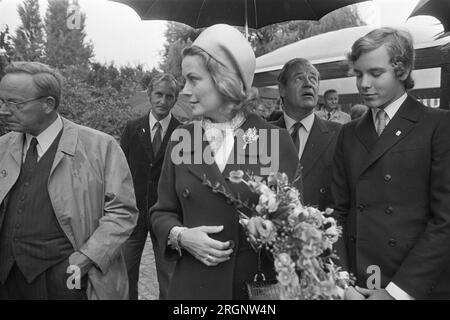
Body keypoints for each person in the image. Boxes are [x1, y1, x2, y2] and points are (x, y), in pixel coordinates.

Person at [149, 24, 300, 300]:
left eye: (194, 80)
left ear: (225, 80)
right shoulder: (182, 138)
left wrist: (269, 231)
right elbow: (161, 213)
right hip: (193, 290)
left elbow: (297, 224)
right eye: (184, 80)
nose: (184, 90)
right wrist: (181, 236)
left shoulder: (274, 140)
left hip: (255, 291)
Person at [0, 61, 138, 299]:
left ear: (48, 104)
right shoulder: (3, 147)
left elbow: (122, 212)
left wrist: (88, 257)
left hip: (67, 280)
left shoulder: (100, 147)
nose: (3, 110)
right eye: (2, 101)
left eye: (15, 104)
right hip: (7, 278)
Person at [331, 27, 450, 300]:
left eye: (375, 73)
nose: (363, 84)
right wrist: (342, 283)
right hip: (357, 287)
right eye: (358, 74)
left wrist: (397, 293)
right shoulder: (348, 133)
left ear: (403, 70)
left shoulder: (438, 125)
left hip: (415, 286)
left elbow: (445, 220)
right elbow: (335, 213)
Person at [120, 73, 181, 300]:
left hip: (167, 215)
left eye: (169, 96)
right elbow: (120, 170)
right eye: (158, 94)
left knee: (169, 276)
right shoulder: (132, 128)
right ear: (149, 95)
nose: (163, 101)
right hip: (132, 214)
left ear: (175, 99)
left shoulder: (184, 133)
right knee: (126, 273)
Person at [272, 58, 341, 211]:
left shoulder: (339, 134)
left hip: (322, 230)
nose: (308, 84)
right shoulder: (264, 134)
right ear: (282, 89)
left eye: (313, 79)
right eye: (299, 78)